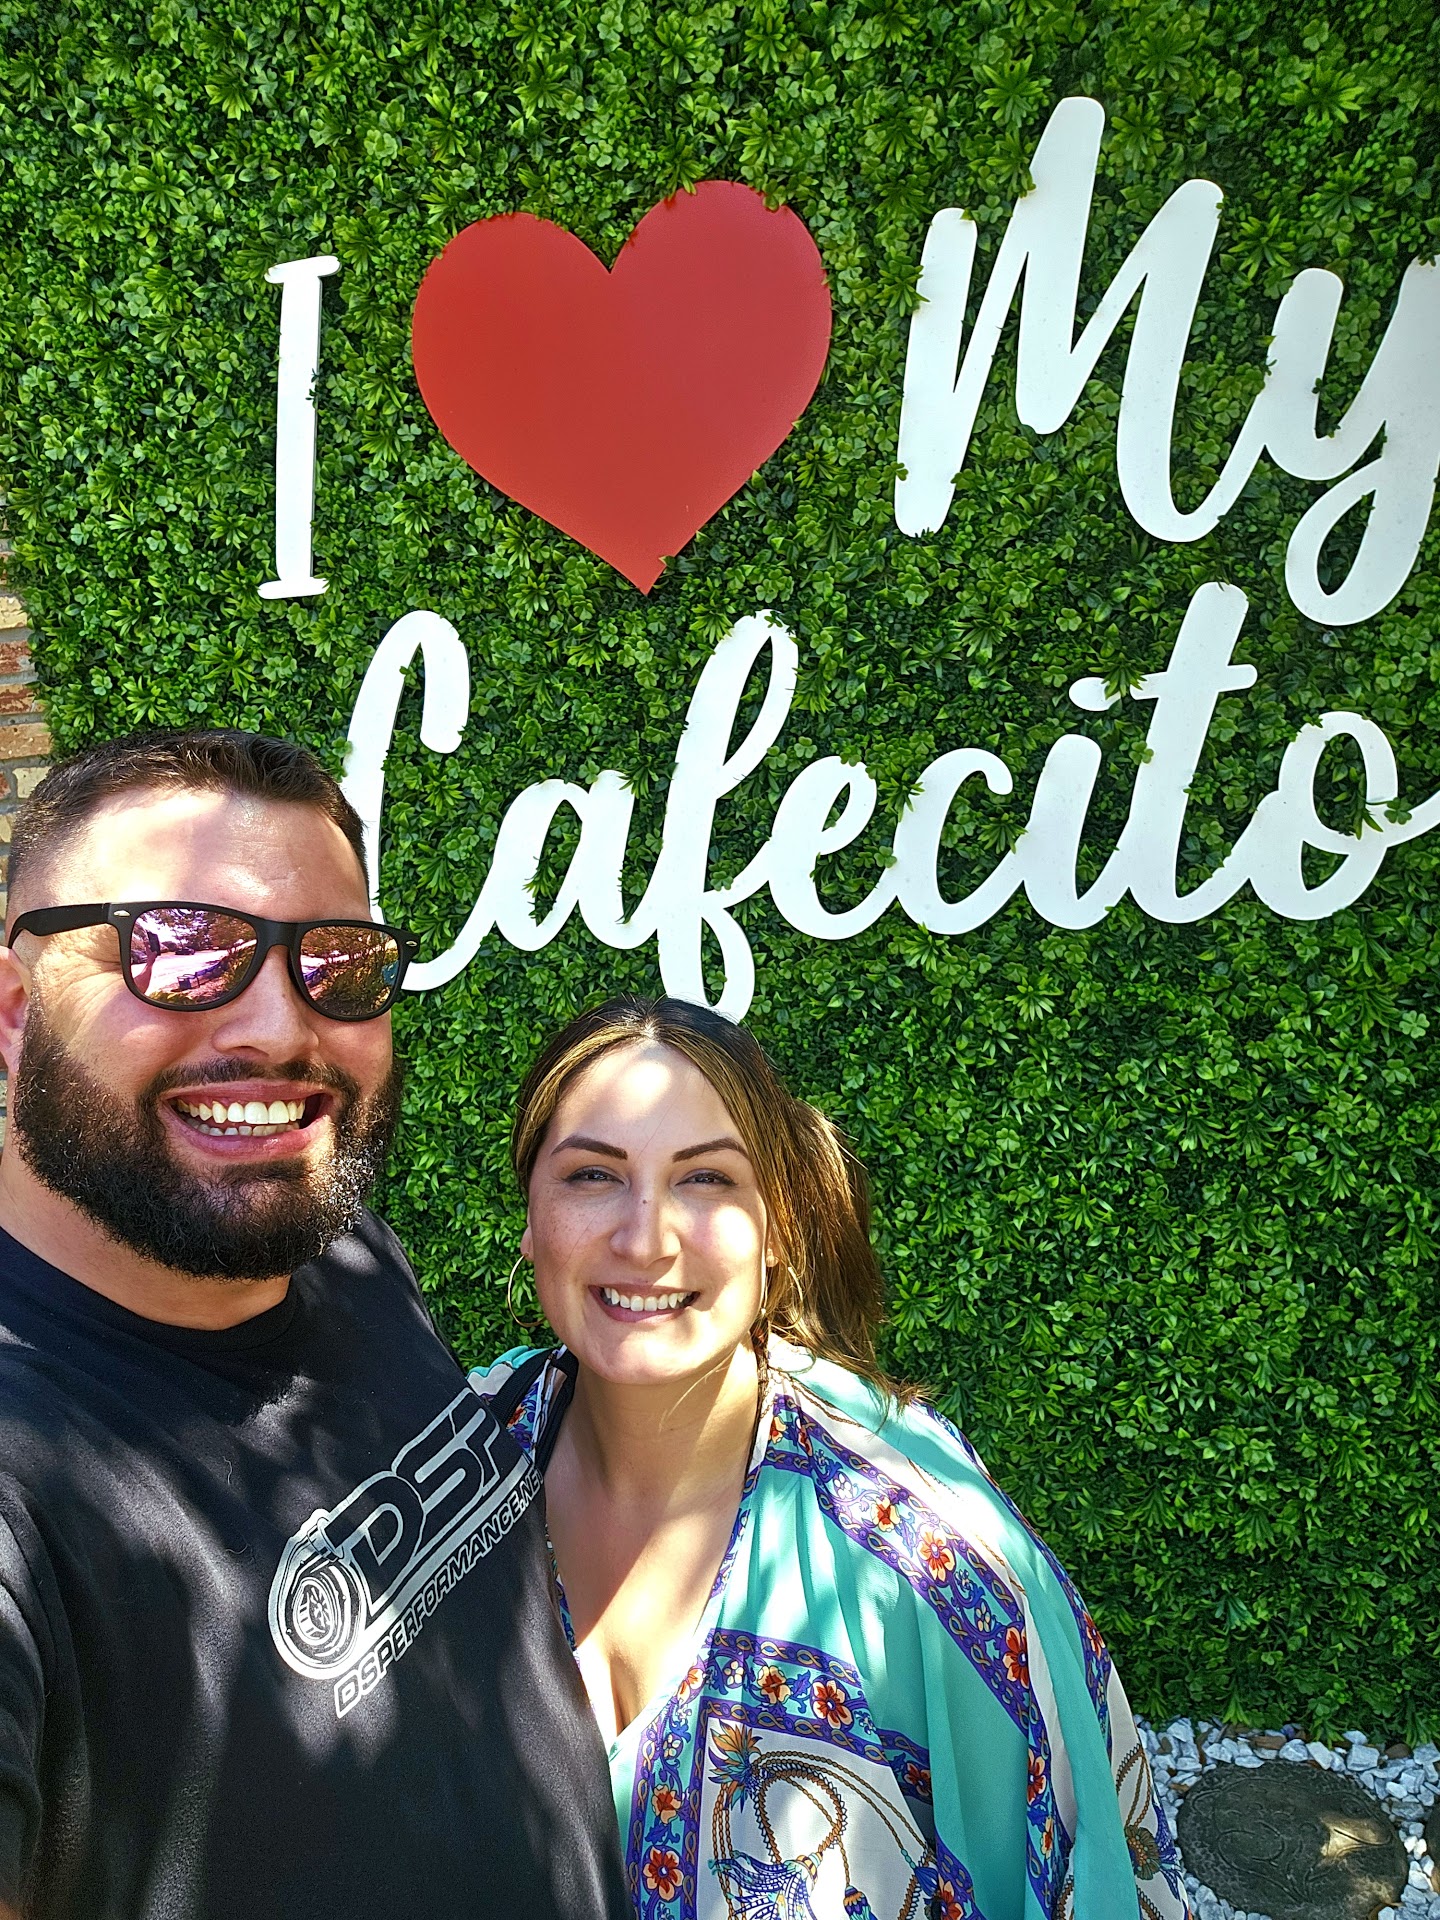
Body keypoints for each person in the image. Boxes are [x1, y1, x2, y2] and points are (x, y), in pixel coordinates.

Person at [0, 730, 628, 1920]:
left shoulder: (335, 1248)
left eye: (336, 963)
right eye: (183, 953)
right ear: (18, 1010)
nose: (284, 1031)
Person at [473, 996, 1190, 1920]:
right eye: (592, 1175)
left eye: (707, 1180)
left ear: (777, 1231)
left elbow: (1080, 1876)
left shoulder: (928, 1560)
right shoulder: (452, 1463)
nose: (645, 1238)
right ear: (531, 1216)